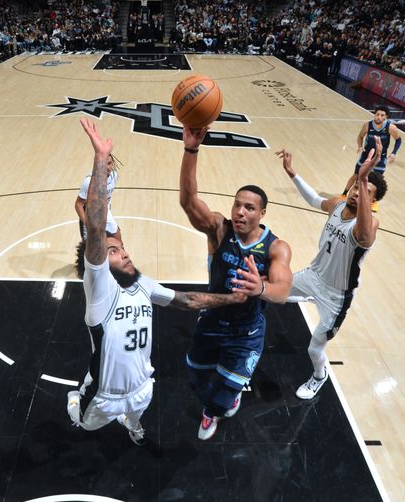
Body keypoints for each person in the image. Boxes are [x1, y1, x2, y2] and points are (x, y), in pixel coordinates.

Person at [69, 118, 245, 446]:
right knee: (85, 425)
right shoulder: (100, 292)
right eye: (112, 251)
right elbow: (95, 226)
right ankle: (75, 402)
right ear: (98, 266)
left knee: (136, 419)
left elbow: (187, 301)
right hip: (103, 396)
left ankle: (132, 425)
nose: (122, 251)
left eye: (121, 247)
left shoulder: (143, 283)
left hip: (142, 389)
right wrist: (99, 158)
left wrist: (231, 299)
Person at [179, 126, 293, 440]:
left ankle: (216, 409)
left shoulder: (275, 247)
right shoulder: (219, 229)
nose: (240, 211)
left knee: (221, 398)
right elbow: (189, 202)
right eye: (237, 204)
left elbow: (283, 290)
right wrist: (191, 150)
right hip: (212, 320)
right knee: (195, 378)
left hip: (246, 332)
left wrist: (261, 289)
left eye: (249, 207)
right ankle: (217, 396)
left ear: (263, 213)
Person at [260, 138, 387, 400]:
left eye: (364, 191)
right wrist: (292, 172)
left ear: (372, 200)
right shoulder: (339, 205)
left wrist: (363, 179)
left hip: (335, 297)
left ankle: (319, 377)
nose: (354, 191)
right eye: (354, 186)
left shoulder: (369, 225)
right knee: (264, 288)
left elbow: (363, 234)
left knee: (315, 351)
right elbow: (315, 199)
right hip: (312, 277)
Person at [342, 105, 400, 212]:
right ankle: (344, 194)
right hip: (366, 156)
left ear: (385, 117)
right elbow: (360, 136)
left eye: (382, 115)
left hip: (380, 158)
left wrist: (393, 153)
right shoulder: (367, 125)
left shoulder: (390, 127)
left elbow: (398, 140)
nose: (378, 117)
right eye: (377, 114)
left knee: (377, 182)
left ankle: (374, 202)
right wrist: (360, 146)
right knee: (356, 176)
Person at [74, 153, 121, 241]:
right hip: (90, 215)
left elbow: (107, 197)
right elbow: (78, 204)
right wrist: (87, 224)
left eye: (109, 163)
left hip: (105, 211)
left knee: (116, 236)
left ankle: (120, 253)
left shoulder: (114, 176)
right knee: (89, 247)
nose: (107, 167)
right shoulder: (89, 182)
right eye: (103, 165)